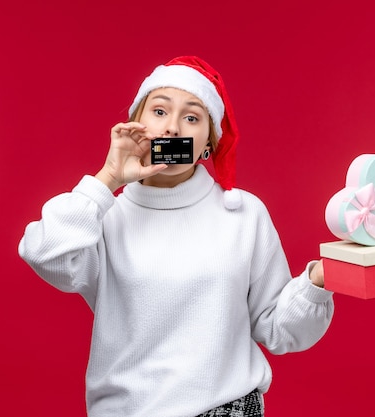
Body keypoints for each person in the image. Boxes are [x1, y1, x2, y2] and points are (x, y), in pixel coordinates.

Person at [18, 55, 334, 417]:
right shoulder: (105, 215)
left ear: (207, 146)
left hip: (227, 409)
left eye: (191, 117)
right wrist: (108, 178)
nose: (172, 128)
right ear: (136, 125)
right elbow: (46, 255)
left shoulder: (243, 213)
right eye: (159, 112)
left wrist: (316, 283)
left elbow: (278, 329)